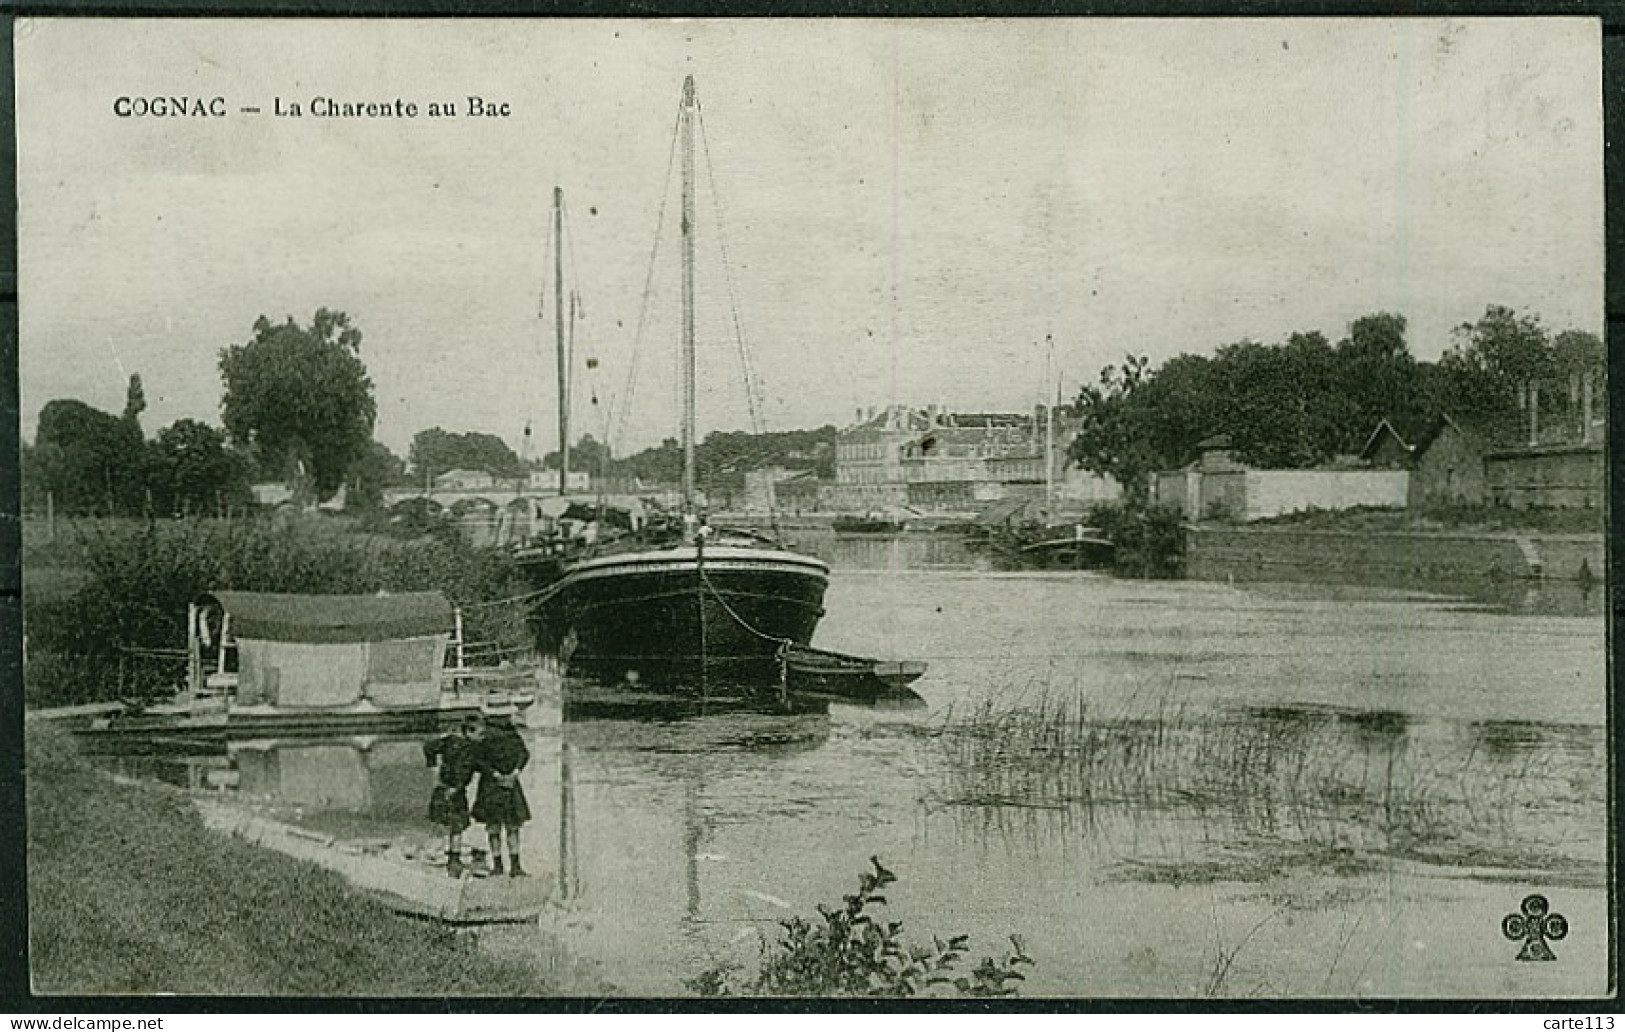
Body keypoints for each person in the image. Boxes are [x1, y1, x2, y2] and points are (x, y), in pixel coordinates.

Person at [423, 715, 484, 879]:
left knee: (446, 823)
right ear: (469, 731)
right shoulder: (470, 749)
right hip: (453, 789)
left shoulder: (450, 741)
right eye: (480, 734)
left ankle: (445, 856)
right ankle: (447, 857)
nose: (481, 738)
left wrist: (433, 767)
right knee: (454, 824)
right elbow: (466, 770)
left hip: (446, 787)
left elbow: (429, 747)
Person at [473, 708, 532, 877]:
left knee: (497, 827)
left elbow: (477, 761)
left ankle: (502, 866)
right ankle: (513, 866)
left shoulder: (487, 736)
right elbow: (524, 754)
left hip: (493, 785)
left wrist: (497, 774)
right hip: (506, 784)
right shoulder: (511, 735)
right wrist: (514, 772)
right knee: (508, 826)